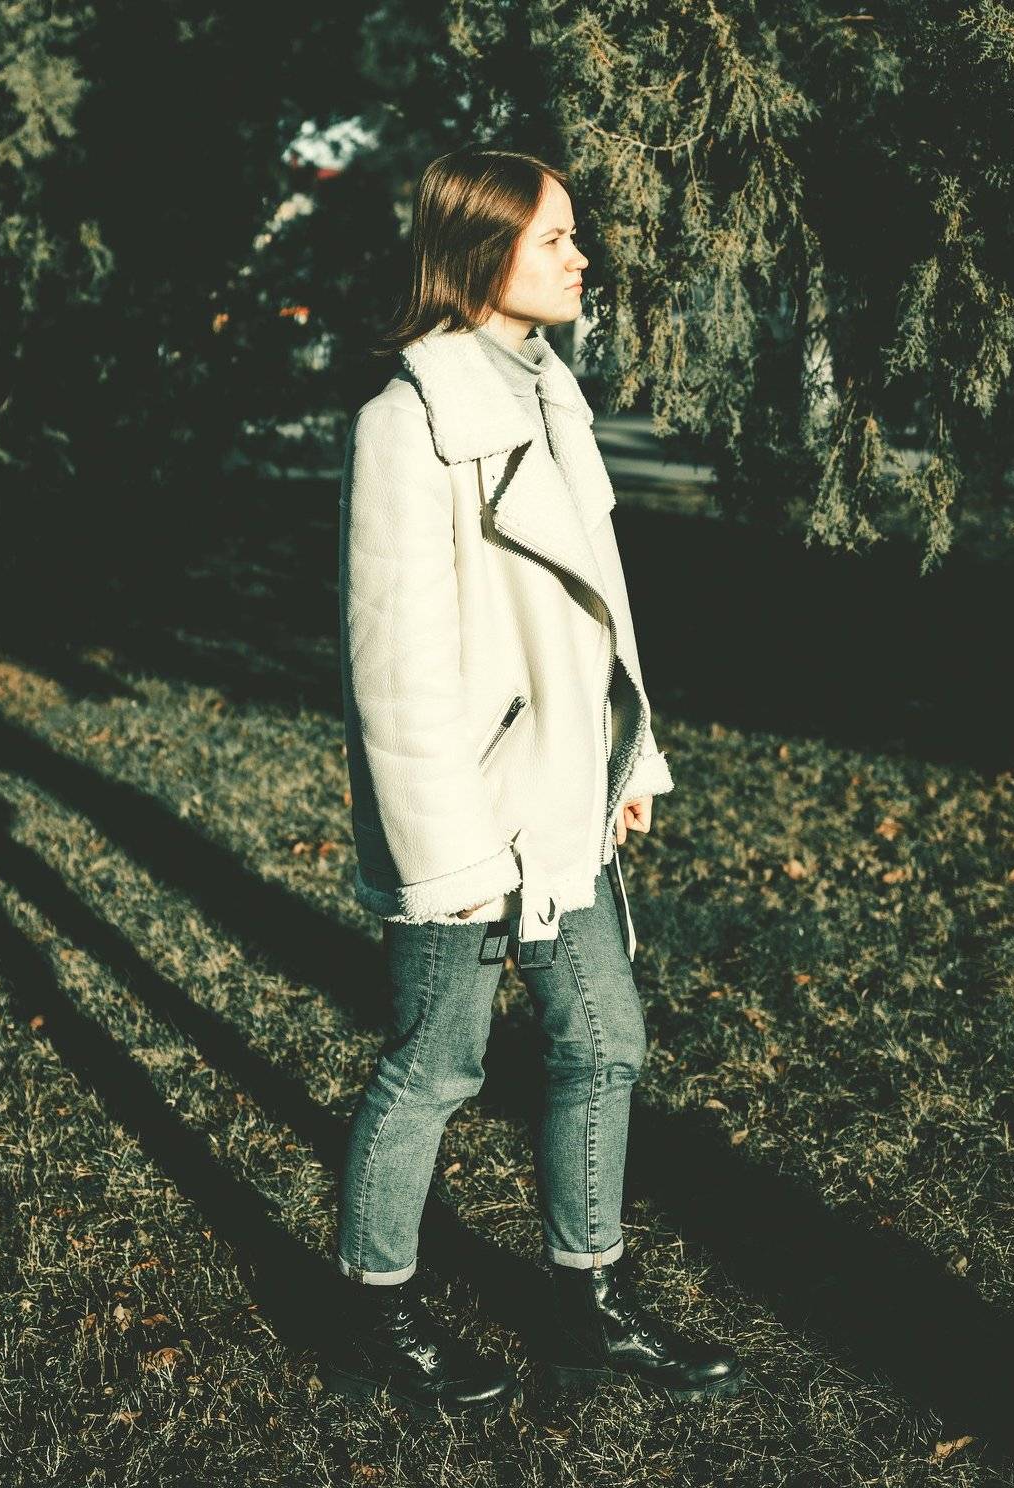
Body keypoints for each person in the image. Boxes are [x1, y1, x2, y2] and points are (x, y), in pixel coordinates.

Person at [319, 145, 745, 1418]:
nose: (578, 255)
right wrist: (443, 856)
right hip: (465, 817)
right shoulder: (408, 420)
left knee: (605, 1043)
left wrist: (626, 756)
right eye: (553, 236)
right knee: (434, 1067)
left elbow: (593, 607)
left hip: (563, 798)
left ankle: (583, 1304)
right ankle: (374, 1315)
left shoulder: (550, 391)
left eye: (571, 234)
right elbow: (391, 665)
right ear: (480, 250)